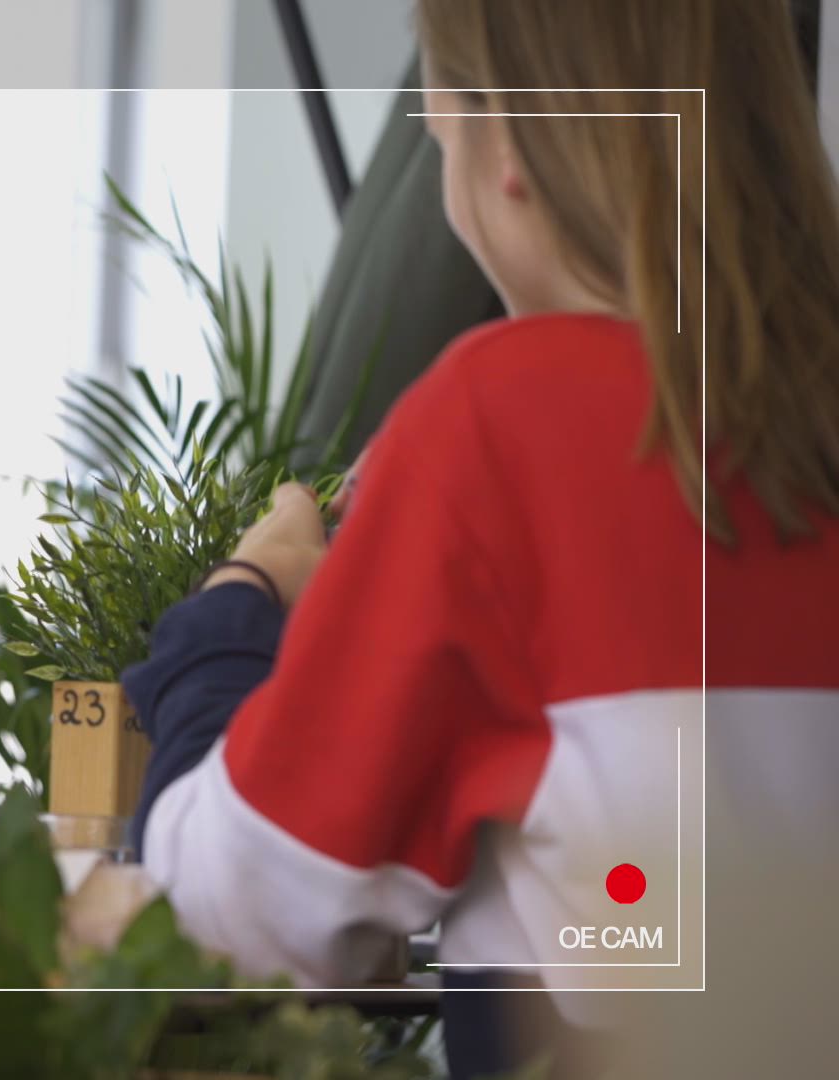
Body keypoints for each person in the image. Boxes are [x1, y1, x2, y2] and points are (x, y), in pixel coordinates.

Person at [124, 0, 839, 1073]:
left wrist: (239, 601)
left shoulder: (495, 427)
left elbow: (221, 924)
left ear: (506, 144)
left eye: (440, 111)